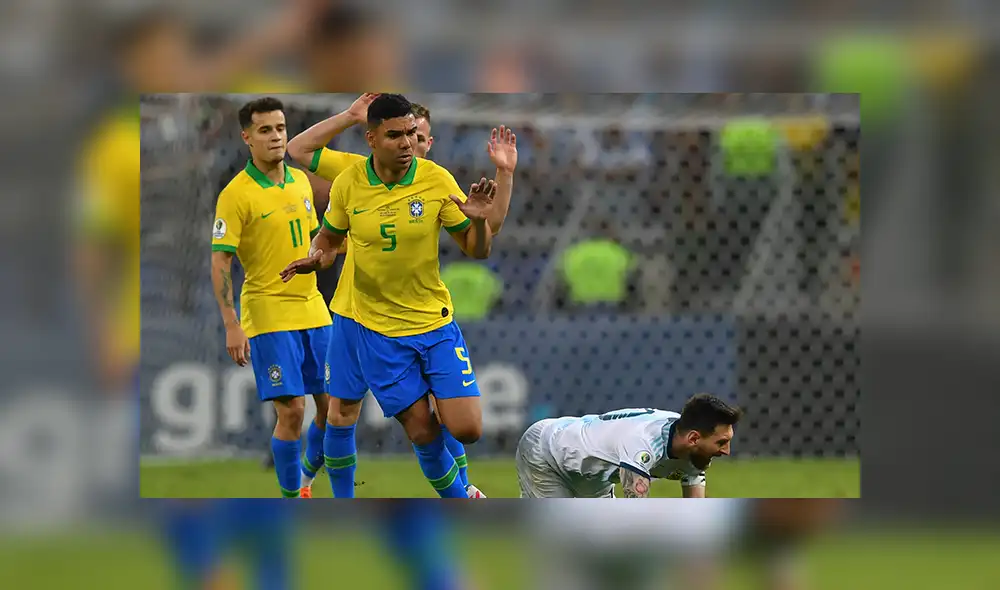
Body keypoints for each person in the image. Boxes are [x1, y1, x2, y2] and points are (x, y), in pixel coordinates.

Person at [285, 96, 517, 498]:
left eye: (414, 134)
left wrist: (479, 219)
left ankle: (462, 482)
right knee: (364, 417)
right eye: (398, 135)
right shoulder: (348, 179)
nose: (409, 142)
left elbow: (479, 248)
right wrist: (316, 259)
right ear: (371, 139)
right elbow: (327, 236)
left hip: (433, 321)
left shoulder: (436, 179)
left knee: (468, 428)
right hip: (370, 325)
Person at [211, 97, 331, 499]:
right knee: (292, 411)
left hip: (313, 307)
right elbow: (221, 262)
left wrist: (318, 258)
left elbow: (315, 240)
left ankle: (306, 480)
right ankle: (290, 498)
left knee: (335, 410)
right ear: (247, 137)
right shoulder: (236, 194)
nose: (276, 136)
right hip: (268, 311)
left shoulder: (299, 181)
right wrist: (232, 323)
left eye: (280, 128)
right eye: (265, 130)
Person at [515, 393, 742, 498]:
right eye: (721, 443)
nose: (726, 451)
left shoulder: (693, 447)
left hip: (592, 474)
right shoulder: (642, 444)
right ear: (693, 439)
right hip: (547, 451)